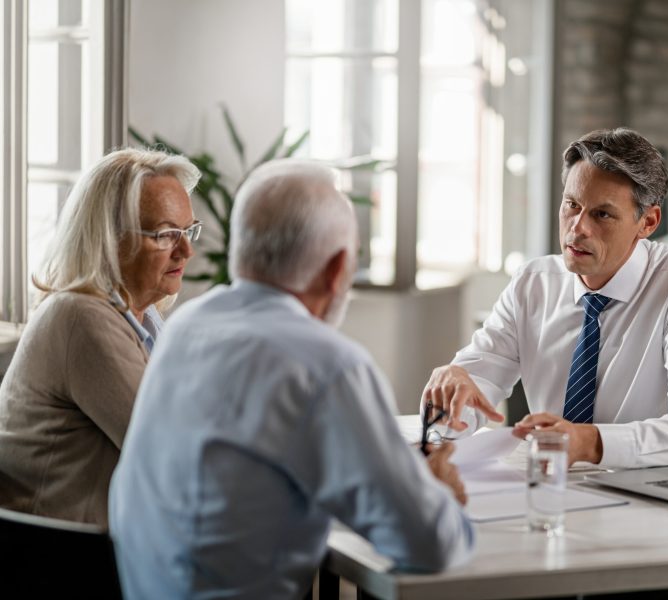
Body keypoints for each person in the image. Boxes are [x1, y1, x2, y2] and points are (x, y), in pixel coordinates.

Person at [109, 160, 474, 599]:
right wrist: (435, 493)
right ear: (338, 268)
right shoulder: (327, 365)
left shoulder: (188, 326)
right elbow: (430, 545)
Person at [423, 127, 668, 469]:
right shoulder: (533, 283)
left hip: (646, 496)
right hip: (549, 488)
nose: (577, 228)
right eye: (572, 205)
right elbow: (476, 385)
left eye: (602, 214)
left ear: (648, 222)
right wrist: (451, 400)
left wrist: (590, 442)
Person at [0, 148, 200, 526]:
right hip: (54, 565)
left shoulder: (144, 318)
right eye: (166, 234)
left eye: (189, 231)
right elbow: (174, 456)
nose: (186, 250)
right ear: (110, 238)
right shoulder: (81, 317)